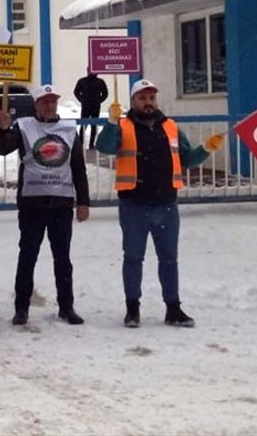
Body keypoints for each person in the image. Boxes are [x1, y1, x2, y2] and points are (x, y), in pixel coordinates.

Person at [95, 79, 223, 328]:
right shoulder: (123, 126)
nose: (148, 103)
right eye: (142, 98)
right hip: (134, 204)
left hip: (166, 203)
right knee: (133, 257)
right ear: (133, 102)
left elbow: (186, 159)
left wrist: (206, 149)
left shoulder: (171, 127)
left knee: (169, 259)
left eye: (151, 98)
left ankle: (173, 308)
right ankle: (132, 309)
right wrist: (111, 123)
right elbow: (105, 146)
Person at [0, 84, 90, 327]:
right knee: (27, 256)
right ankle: (21, 308)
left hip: (61, 203)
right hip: (32, 204)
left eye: (53, 101)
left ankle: (66, 307)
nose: (49, 105)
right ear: (36, 104)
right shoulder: (24, 126)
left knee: (62, 258)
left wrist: (84, 202)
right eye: (45, 101)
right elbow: (3, 148)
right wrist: (3, 130)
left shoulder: (69, 129)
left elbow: (78, 167)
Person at [73, 72, 109, 149]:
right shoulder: (82, 81)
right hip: (85, 106)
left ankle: (91, 144)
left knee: (94, 125)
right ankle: (80, 144)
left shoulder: (100, 82)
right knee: (83, 125)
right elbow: (76, 91)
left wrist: (99, 100)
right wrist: (82, 99)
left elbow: (105, 93)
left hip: (95, 106)